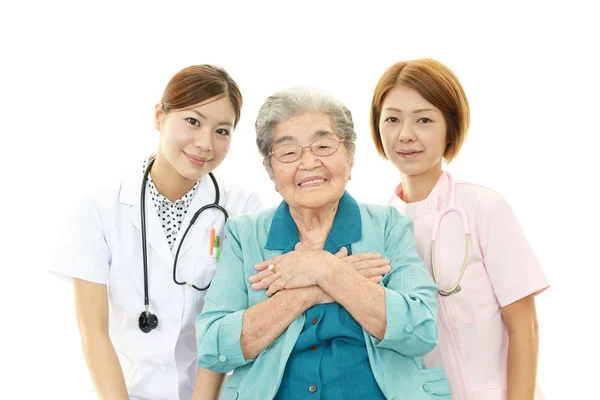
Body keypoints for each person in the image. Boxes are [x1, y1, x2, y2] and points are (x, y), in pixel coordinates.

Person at [195, 86, 451, 400]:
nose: (309, 163)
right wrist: (312, 291)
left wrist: (324, 268)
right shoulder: (243, 235)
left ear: (351, 157)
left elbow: (421, 331)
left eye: (323, 146)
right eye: (289, 153)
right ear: (271, 171)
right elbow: (213, 347)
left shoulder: (388, 226)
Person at [49, 64, 263, 400]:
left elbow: (224, 327)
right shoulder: (99, 209)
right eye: (193, 121)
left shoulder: (243, 209)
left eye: (223, 131)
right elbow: (93, 330)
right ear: (159, 116)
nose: (205, 143)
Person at [370, 58, 550, 400]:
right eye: (392, 119)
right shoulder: (380, 227)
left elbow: (523, 326)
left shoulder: (483, 208)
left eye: (424, 119)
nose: (405, 134)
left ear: (450, 128)